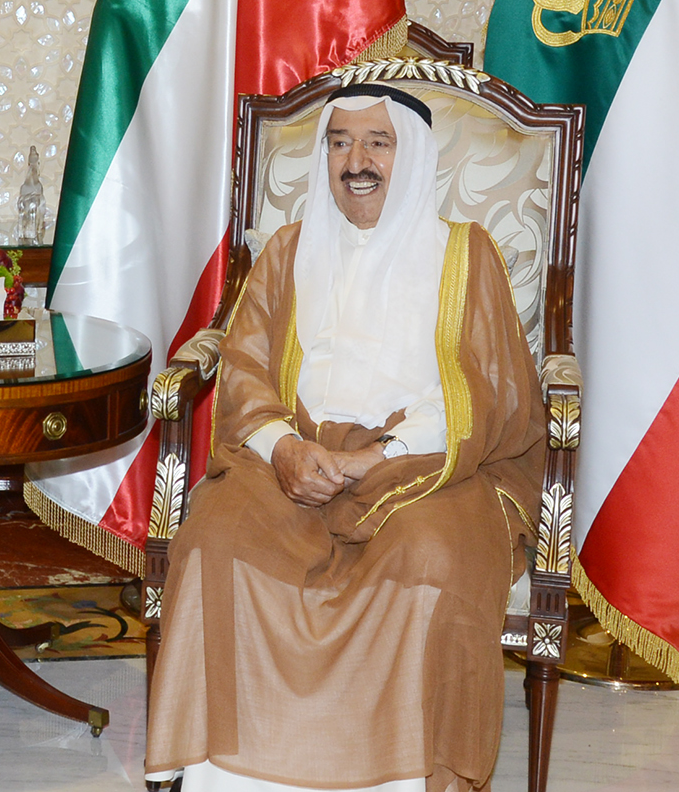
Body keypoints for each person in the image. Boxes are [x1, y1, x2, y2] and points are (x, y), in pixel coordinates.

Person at [145, 84, 545, 792]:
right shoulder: (289, 250)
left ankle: (397, 779)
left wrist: (381, 455)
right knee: (213, 541)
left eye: (377, 144)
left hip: (424, 464)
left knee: (430, 562)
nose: (355, 162)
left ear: (412, 158)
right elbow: (241, 368)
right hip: (293, 456)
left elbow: (493, 387)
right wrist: (282, 448)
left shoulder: (465, 256)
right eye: (339, 143)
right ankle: (232, 777)